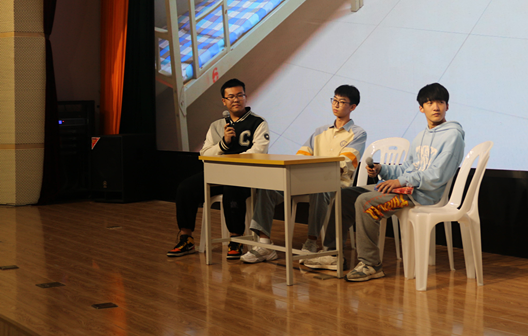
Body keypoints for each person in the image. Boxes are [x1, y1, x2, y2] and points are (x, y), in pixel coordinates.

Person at [304, 82, 465, 282]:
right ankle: (333, 253)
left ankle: (371, 264)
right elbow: (407, 169)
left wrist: (400, 181)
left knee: (366, 201)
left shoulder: (453, 136)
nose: (436, 107)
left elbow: (437, 175)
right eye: (430, 103)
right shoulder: (421, 136)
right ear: (421, 108)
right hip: (406, 189)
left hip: (421, 195)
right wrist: (383, 170)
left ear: (447, 106)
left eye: (440, 102)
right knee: (345, 195)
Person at [241, 84, 367, 263]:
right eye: (334, 100)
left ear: (352, 107)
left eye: (341, 102)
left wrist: (314, 171)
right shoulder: (320, 131)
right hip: (307, 180)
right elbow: (301, 155)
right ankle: (264, 244)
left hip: (334, 183)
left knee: (320, 189)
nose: (336, 105)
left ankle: (311, 241)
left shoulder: (358, 133)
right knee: (269, 187)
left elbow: (345, 162)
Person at [166, 78, 270, 258]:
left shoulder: (258, 122)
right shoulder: (216, 126)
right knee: (185, 188)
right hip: (218, 174)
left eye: (240, 95)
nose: (236, 100)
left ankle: (236, 239)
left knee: (232, 189)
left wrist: (232, 162)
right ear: (224, 101)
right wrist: (223, 144)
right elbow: (205, 154)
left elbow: (259, 152)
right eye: (231, 97)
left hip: (246, 176)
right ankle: (186, 238)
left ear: (245, 97)